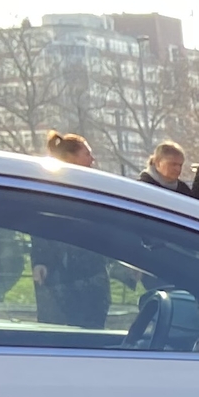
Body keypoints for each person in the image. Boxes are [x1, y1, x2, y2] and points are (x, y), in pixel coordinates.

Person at [33, 133, 112, 327]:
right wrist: (40, 261)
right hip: (61, 276)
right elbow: (39, 225)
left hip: (89, 274)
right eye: (87, 154)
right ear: (70, 157)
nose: (92, 159)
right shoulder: (49, 187)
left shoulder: (92, 186)